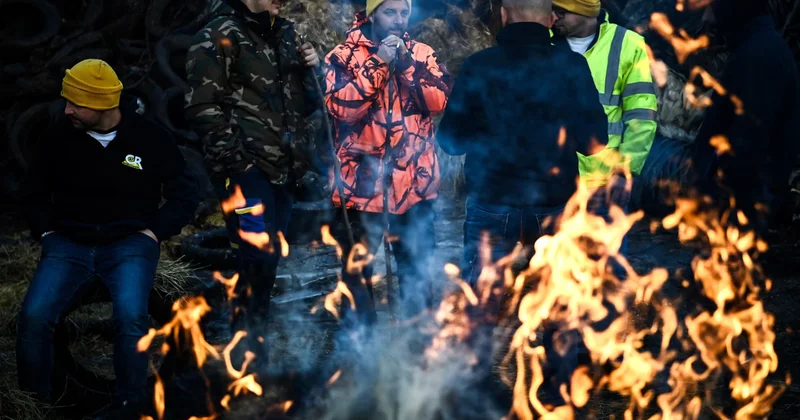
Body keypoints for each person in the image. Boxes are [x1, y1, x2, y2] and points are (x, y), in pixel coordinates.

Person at [17, 59, 199, 413]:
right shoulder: (57, 137)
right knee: (35, 316)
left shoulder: (150, 138)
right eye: (66, 101)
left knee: (131, 318)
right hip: (67, 243)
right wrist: (47, 232)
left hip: (129, 244)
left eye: (76, 104)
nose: (67, 110)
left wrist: (154, 232)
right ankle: (33, 406)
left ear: (102, 104)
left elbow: (185, 193)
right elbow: (32, 191)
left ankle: (130, 407)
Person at [184, 0, 319, 370]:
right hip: (246, 174)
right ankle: (246, 350)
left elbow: (306, 105)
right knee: (257, 255)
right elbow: (201, 107)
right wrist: (239, 164)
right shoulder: (219, 35)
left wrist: (312, 70)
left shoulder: (287, 34)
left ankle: (251, 342)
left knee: (267, 258)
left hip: (284, 172)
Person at [438, 0, 608, 286]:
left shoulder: (479, 66)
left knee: (481, 297)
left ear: (504, 16)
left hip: (491, 200)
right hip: (554, 202)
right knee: (559, 296)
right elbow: (595, 142)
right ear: (550, 19)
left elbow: (450, 141)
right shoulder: (571, 66)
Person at [324, 0, 452, 322]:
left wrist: (406, 64)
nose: (398, 20)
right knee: (357, 279)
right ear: (371, 14)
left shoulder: (423, 53)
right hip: (360, 190)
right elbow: (341, 109)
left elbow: (439, 102)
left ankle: (417, 342)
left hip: (415, 190)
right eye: (389, 12)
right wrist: (379, 62)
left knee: (416, 275)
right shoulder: (342, 56)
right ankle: (359, 345)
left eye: (404, 12)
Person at [551, 0, 658, 249]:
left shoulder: (628, 44)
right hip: (552, 185)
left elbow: (641, 117)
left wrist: (624, 172)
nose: (554, 16)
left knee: (608, 265)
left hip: (604, 186)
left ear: (584, 10)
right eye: (552, 9)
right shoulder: (542, 42)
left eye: (562, 11)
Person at [688, 0, 800, 236]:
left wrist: (724, 202)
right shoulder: (756, 50)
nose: (706, 18)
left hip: (737, 211)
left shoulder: (758, 58)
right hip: (737, 205)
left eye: (711, 8)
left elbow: (748, 142)